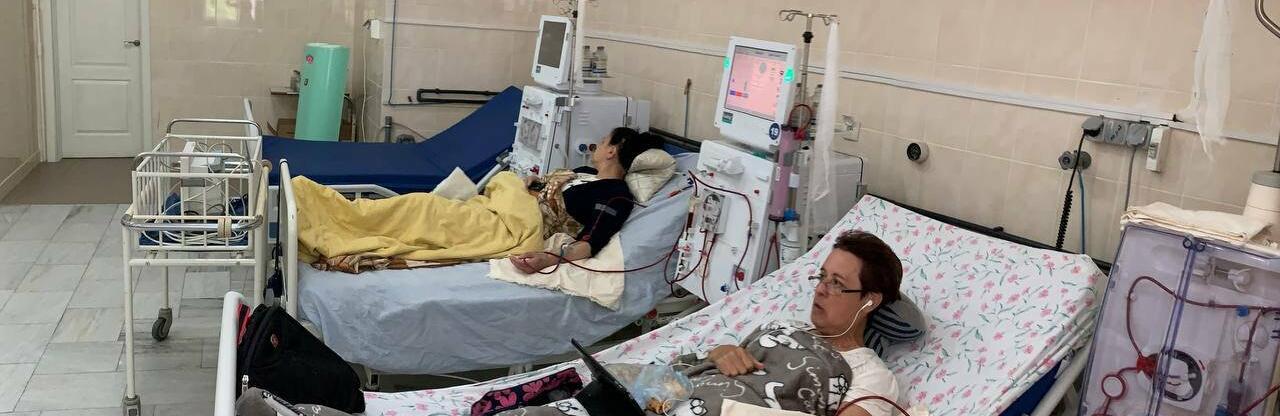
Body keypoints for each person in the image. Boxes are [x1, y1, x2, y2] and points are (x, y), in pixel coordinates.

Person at [705, 231, 904, 416]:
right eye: (822, 277)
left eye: (836, 283)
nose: (820, 290)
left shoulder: (870, 375)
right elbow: (724, 362)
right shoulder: (784, 326)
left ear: (870, 301)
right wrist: (721, 353)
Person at [508, 127, 665, 274]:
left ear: (611, 151)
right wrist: (535, 181)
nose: (597, 145)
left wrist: (547, 259)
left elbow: (591, 242)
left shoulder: (614, 194)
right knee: (505, 179)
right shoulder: (585, 171)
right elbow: (550, 186)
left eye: (603, 141)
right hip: (515, 202)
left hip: (520, 223)